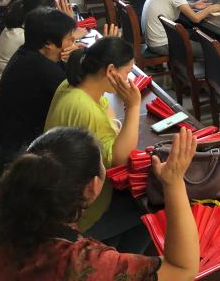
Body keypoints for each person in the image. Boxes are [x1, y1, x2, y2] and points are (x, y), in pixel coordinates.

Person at [0, 126, 200, 280]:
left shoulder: (9, 224)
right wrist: (173, 182)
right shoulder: (84, 263)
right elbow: (182, 269)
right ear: (92, 186)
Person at [44, 36, 151, 252]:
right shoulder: (85, 109)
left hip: (57, 197)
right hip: (80, 212)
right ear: (111, 70)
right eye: (127, 72)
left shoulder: (73, 84)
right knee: (148, 211)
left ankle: (110, 248)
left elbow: (109, 120)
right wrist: (133, 106)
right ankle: (116, 261)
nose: (128, 79)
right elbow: (119, 161)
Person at [0, 7, 76, 170]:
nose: (73, 42)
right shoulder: (42, 69)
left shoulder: (27, 53)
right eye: (69, 38)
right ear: (48, 43)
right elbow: (78, 96)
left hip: (12, 142)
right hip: (22, 156)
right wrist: (78, 59)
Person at [0, 0, 58, 128]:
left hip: (4, 97)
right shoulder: (21, 36)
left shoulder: (17, 28)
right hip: (3, 105)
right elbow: (51, 60)